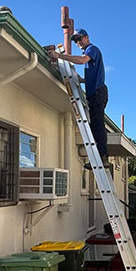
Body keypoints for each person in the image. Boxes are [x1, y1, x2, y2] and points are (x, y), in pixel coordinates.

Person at [48, 29, 109, 168]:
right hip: (95, 93)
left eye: (80, 39)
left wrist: (59, 56)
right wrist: (77, 79)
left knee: (98, 125)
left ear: (87, 37)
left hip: (98, 93)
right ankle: (99, 158)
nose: (78, 42)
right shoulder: (89, 56)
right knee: (95, 125)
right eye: (75, 41)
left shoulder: (92, 49)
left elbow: (81, 60)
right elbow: (88, 76)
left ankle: (103, 157)